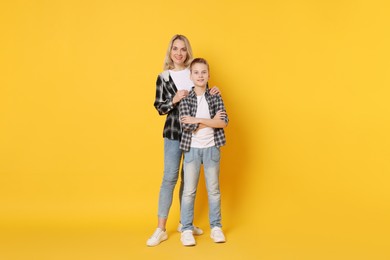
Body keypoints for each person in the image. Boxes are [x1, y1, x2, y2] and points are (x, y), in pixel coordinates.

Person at [147, 35, 220, 247]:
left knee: (188, 181)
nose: (179, 53)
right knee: (169, 178)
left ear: (188, 52)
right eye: (175, 49)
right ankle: (160, 228)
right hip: (173, 134)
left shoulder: (194, 72)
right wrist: (174, 100)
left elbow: (207, 98)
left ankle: (184, 224)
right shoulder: (164, 77)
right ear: (170, 52)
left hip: (195, 136)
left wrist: (215, 91)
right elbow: (160, 107)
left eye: (183, 49)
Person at [178, 58, 228, 246]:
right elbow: (187, 126)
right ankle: (187, 229)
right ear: (191, 76)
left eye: (204, 72)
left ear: (208, 75)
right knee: (189, 191)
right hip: (192, 150)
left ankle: (216, 227)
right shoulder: (186, 99)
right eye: (196, 72)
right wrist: (210, 120)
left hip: (211, 149)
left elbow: (222, 122)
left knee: (213, 191)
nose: (200, 75)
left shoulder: (216, 96)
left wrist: (196, 119)